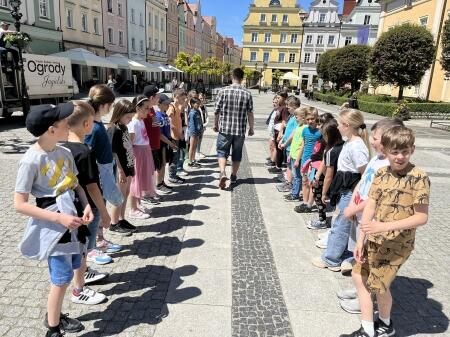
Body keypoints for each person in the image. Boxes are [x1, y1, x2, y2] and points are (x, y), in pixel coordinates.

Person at [341, 126, 430, 337]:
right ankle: (369, 327)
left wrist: (383, 227)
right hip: (373, 238)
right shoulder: (381, 173)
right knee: (359, 277)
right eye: (395, 152)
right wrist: (361, 239)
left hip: (397, 244)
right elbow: (370, 207)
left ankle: (384, 324)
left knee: (379, 286)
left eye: (405, 152)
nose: (400, 157)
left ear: (412, 150)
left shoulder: (419, 177)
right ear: (385, 150)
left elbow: (422, 217)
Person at [15, 103, 93, 337]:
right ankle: (53, 328)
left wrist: (87, 205)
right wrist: (59, 218)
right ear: (51, 129)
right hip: (54, 227)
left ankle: (56, 315)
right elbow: (19, 204)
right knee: (61, 279)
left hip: (73, 220)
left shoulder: (65, 152)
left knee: (71, 269)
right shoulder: (31, 160)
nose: (68, 124)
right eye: (63, 122)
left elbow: (76, 184)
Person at [336, 118, 405, 313]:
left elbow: (378, 198)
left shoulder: (390, 166)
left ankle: (365, 300)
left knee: (368, 261)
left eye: (375, 138)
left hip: (371, 220)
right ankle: (359, 290)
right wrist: (351, 205)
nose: (372, 141)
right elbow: (362, 181)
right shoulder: (376, 159)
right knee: (359, 258)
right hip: (360, 215)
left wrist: (355, 209)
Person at [61, 101, 110, 304]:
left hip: (68, 207)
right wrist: (104, 212)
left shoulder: (60, 148)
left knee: (80, 248)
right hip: (87, 208)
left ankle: (84, 273)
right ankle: (78, 289)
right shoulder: (84, 151)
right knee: (83, 249)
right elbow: (91, 187)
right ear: (87, 124)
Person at [312, 108, 370, 272]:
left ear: (347, 125)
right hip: (345, 189)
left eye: (339, 124)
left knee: (340, 224)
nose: (336, 127)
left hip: (351, 191)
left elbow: (365, 174)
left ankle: (331, 258)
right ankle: (342, 254)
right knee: (343, 223)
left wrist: (356, 198)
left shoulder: (357, 146)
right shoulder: (350, 143)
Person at [85, 85, 131, 239]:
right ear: (103, 105)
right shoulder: (94, 127)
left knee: (102, 206)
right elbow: (88, 153)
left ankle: (100, 239)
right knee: (97, 210)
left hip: (104, 174)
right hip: (98, 176)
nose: (111, 108)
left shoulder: (98, 125)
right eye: (111, 105)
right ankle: (95, 244)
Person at [213, 68, 254, 189]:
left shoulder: (223, 91)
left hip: (225, 129)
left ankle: (222, 172)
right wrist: (251, 128)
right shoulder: (247, 93)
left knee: (222, 151)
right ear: (242, 78)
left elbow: (217, 111)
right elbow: (250, 113)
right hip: (240, 130)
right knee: (237, 154)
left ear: (232, 76)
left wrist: (215, 124)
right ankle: (234, 176)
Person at [307, 118, 344, 230]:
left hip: (333, 181)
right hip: (336, 179)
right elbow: (324, 161)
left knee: (321, 199)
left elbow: (329, 175)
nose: (323, 137)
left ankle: (323, 221)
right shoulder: (340, 145)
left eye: (324, 135)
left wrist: (324, 193)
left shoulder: (331, 150)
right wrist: (317, 175)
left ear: (329, 135)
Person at [107, 99, 137, 234]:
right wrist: (120, 171)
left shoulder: (123, 127)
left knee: (125, 193)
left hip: (128, 164)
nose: (130, 120)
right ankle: (114, 223)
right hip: (121, 168)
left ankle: (121, 218)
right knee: (118, 195)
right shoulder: (113, 129)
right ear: (120, 113)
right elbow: (113, 152)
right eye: (128, 117)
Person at [127, 95, 156, 219]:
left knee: (142, 179)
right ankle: (132, 209)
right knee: (136, 181)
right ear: (138, 108)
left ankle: (138, 204)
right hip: (138, 154)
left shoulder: (140, 121)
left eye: (149, 108)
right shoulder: (133, 123)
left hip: (144, 151)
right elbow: (130, 144)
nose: (148, 111)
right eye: (146, 108)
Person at [291, 108, 321, 208]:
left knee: (312, 182)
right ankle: (304, 202)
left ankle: (309, 203)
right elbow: (302, 146)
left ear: (316, 118)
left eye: (312, 119)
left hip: (315, 161)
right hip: (304, 160)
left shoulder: (320, 132)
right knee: (304, 182)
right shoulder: (305, 130)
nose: (310, 121)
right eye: (308, 119)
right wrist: (298, 160)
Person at [142, 85, 164, 205]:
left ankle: (151, 191)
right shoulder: (145, 110)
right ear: (151, 97)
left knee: (152, 170)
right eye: (157, 95)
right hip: (148, 147)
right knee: (147, 172)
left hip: (154, 145)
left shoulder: (152, 109)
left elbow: (155, 125)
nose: (159, 98)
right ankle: (146, 194)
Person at [280, 107, 306, 202]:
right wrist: (290, 153)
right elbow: (293, 139)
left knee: (297, 176)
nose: (295, 118)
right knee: (296, 175)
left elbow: (302, 145)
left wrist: (298, 159)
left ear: (303, 117)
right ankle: (294, 192)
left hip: (297, 156)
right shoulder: (299, 126)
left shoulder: (305, 128)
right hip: (293, 154)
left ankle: (295, 194)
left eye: (296, 116)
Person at [277, 96, 301, 193]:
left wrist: (285, 143)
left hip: (292, 146)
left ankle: (290, 184)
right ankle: (288, 181)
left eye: (288, 106)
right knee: (288, 165)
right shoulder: (292, 116)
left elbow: (294, 133)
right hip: (287, 145)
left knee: (291, 167)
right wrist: (282, 139)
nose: (287, 107)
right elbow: (288, 131)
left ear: (294, 106)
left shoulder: (297, 118)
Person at [155, 94, 178, 193]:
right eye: (165, 103)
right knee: (160, 165)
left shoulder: (164, 115)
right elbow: (159, 134)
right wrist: (170, 142)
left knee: (164, 164)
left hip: (166, 142)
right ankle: (159, 184)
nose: (168, 105)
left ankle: (162, 181)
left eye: (169, 103)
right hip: (161, 144)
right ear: (159, 104)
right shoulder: (157, 116)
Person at [167, 88, 188, 184]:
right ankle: (171, 176)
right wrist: (179, 135)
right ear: (177, 97)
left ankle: (174, 174)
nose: (184, 101)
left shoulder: (177, 107)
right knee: (174, 157)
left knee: (177, 156)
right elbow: (170, 124)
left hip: (178, 136)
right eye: (182, 99)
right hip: (174, 137)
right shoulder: (171, 107)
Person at [187, 97, 203, 168]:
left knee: (195, 147)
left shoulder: (198, 111)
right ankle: (190, 162)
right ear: (192, 104)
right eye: (197, 103)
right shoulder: (192, 113)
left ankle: (193, 160)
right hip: (193, 132)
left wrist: (201, 130)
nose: (199, 105)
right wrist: (193, 133)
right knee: (192, 147)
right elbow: (191, 124)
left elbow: (200, 122)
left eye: (199, 103)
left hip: (198, 132)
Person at [196, 92, 209, 160]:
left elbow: (206, 116)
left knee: (200, 139)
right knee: (197, 139)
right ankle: (196, 152)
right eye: (200, 98)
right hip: (198, 127)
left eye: (203, 98)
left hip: (203, 126)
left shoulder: (204, 106)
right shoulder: (196, 107)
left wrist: (206, 123)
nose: (202, 99)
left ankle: (198, 151)